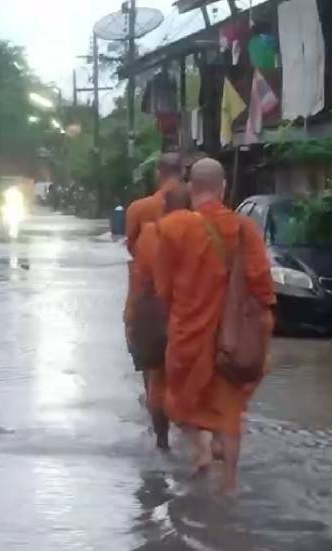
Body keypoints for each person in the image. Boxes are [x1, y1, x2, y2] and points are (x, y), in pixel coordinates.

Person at [154, 158, 276, 494]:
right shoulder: (243, 229)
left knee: (185, 402)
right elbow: (263, 288)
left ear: (191, 188)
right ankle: (229, 487)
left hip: (189, 335)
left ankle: (203, 449)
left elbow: (163, 289)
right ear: (224, 189)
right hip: (232, 342)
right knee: (229, 412)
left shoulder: (174, 228)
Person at [123, 152, 185, 449]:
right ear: (182, 171)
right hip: (186, 299)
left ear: (159, 172)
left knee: (153, 373)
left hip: (147, 299)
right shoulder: (193, 209)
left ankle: (161, 440)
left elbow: (132, 249)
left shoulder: (139, 209)